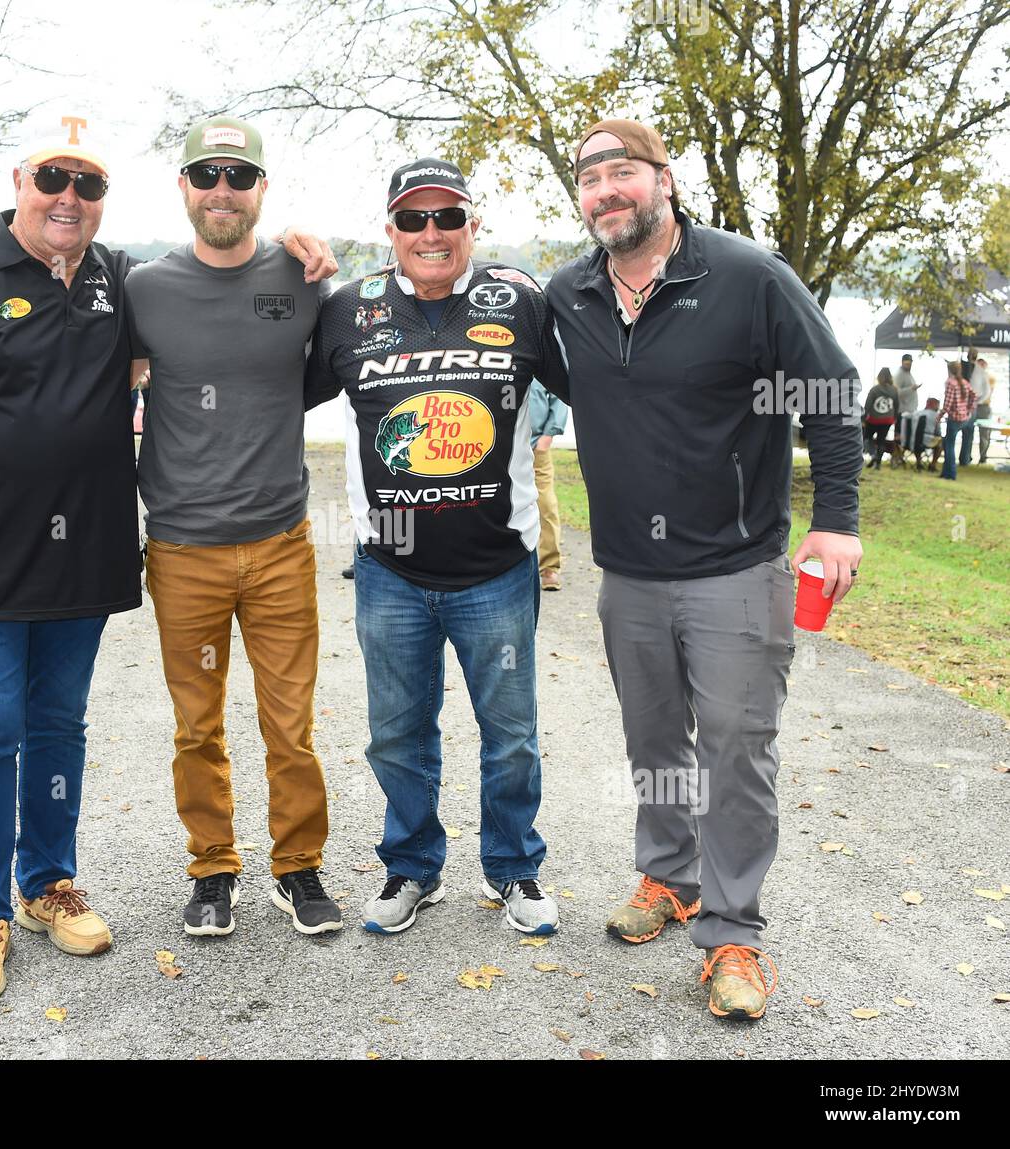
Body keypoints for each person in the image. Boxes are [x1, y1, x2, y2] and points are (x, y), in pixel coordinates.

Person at [0, 113, 338, 1004]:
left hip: (84, 554)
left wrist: (298, 242)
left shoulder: (116, 280)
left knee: (58, 726)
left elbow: (218, 272)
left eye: (88, 186)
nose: (69, 198)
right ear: (19, 181)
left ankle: (47, 882)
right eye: (54, 178)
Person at [546, 118, 863, 1021]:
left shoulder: (747, 277)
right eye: (590, 177)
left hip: (737, 567)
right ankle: (671, 876)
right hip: (629, 575)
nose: (606, 190)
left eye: (622, 172)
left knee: (734, 751)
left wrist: (835, 524)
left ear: (664, 179)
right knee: (656, 745)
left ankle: (733, 933)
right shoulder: (572, 291)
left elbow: (831, 397)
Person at [306, 158, 567, 937]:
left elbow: (611, 388)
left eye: (447, 217)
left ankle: (515, 868)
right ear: (389, 230)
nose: (431, 233)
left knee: (511, 735)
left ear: (472, 226)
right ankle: (412, 866)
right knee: (397, 731)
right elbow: (262, 387)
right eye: (413, 219)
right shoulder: (348, 309)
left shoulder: (520, 300)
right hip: (390, 570)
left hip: (496, 569)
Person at [125, 117, 343, 938]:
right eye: (207, 174)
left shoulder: (302, 273)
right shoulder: (144, 287)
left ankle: (299, 867)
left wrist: (314, 249)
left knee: (291, 720)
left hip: (282, 540)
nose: (223, 189)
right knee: (198, 722)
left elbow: (333, 365)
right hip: (183, 547)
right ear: (183, 187)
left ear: (261, 188)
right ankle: (213, 868)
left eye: (239, 176)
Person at [529, 378, 568, 590]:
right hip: (504, 449)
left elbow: (559, 398)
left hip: (537, 447)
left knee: (546, 506)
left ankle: (549, 568)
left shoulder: (540, 356)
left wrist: (547, 437)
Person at [940, 359, 978, 480]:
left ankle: (950, 473)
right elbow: (974, 396)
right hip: (964, 418)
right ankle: (946, 472)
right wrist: (969, 409)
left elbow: (947, 404)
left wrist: (939, 416)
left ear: (949, 370)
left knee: (949, 445)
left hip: (954, 418)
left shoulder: (951, 383)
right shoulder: (965, 382)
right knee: (949, 443)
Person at [862, 367, 899, 469]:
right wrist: (894, 417)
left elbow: (868, 405)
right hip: (888, 419)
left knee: (867, 438)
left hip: (874, 419)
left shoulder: (875, 389)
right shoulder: (894, 390)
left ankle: (873, 455)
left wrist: (864, 418)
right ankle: (878, 463)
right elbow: (896, 405)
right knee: (881, 441)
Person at [895, 354, 919, 459]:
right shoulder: (900, 375)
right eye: (907, 363)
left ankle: (900, 456)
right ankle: (896, 456)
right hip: (902, 410)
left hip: (909, 410)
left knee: (905, 435)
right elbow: (897, 392)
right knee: (900, 435)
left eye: (910, 363)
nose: (909, 365)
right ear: (902, 362)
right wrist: (911, 388)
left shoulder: (908, 374)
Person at [972, 355, 994, 464]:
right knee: (970, 430)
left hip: (984, 407)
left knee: (984, 433)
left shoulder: (988, 377)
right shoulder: (975, 376)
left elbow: (987, 392)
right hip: (975, 405)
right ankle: (968, 456)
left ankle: (983, 456)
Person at [912, 397, 943, 471]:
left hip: (914, 440)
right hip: (928, 440)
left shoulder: (917, 413)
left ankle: (918, 462)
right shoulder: (936, 415)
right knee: (941, 443)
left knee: (918, 441)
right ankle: (933, 465)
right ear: (934, 405)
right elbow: (938, 432)